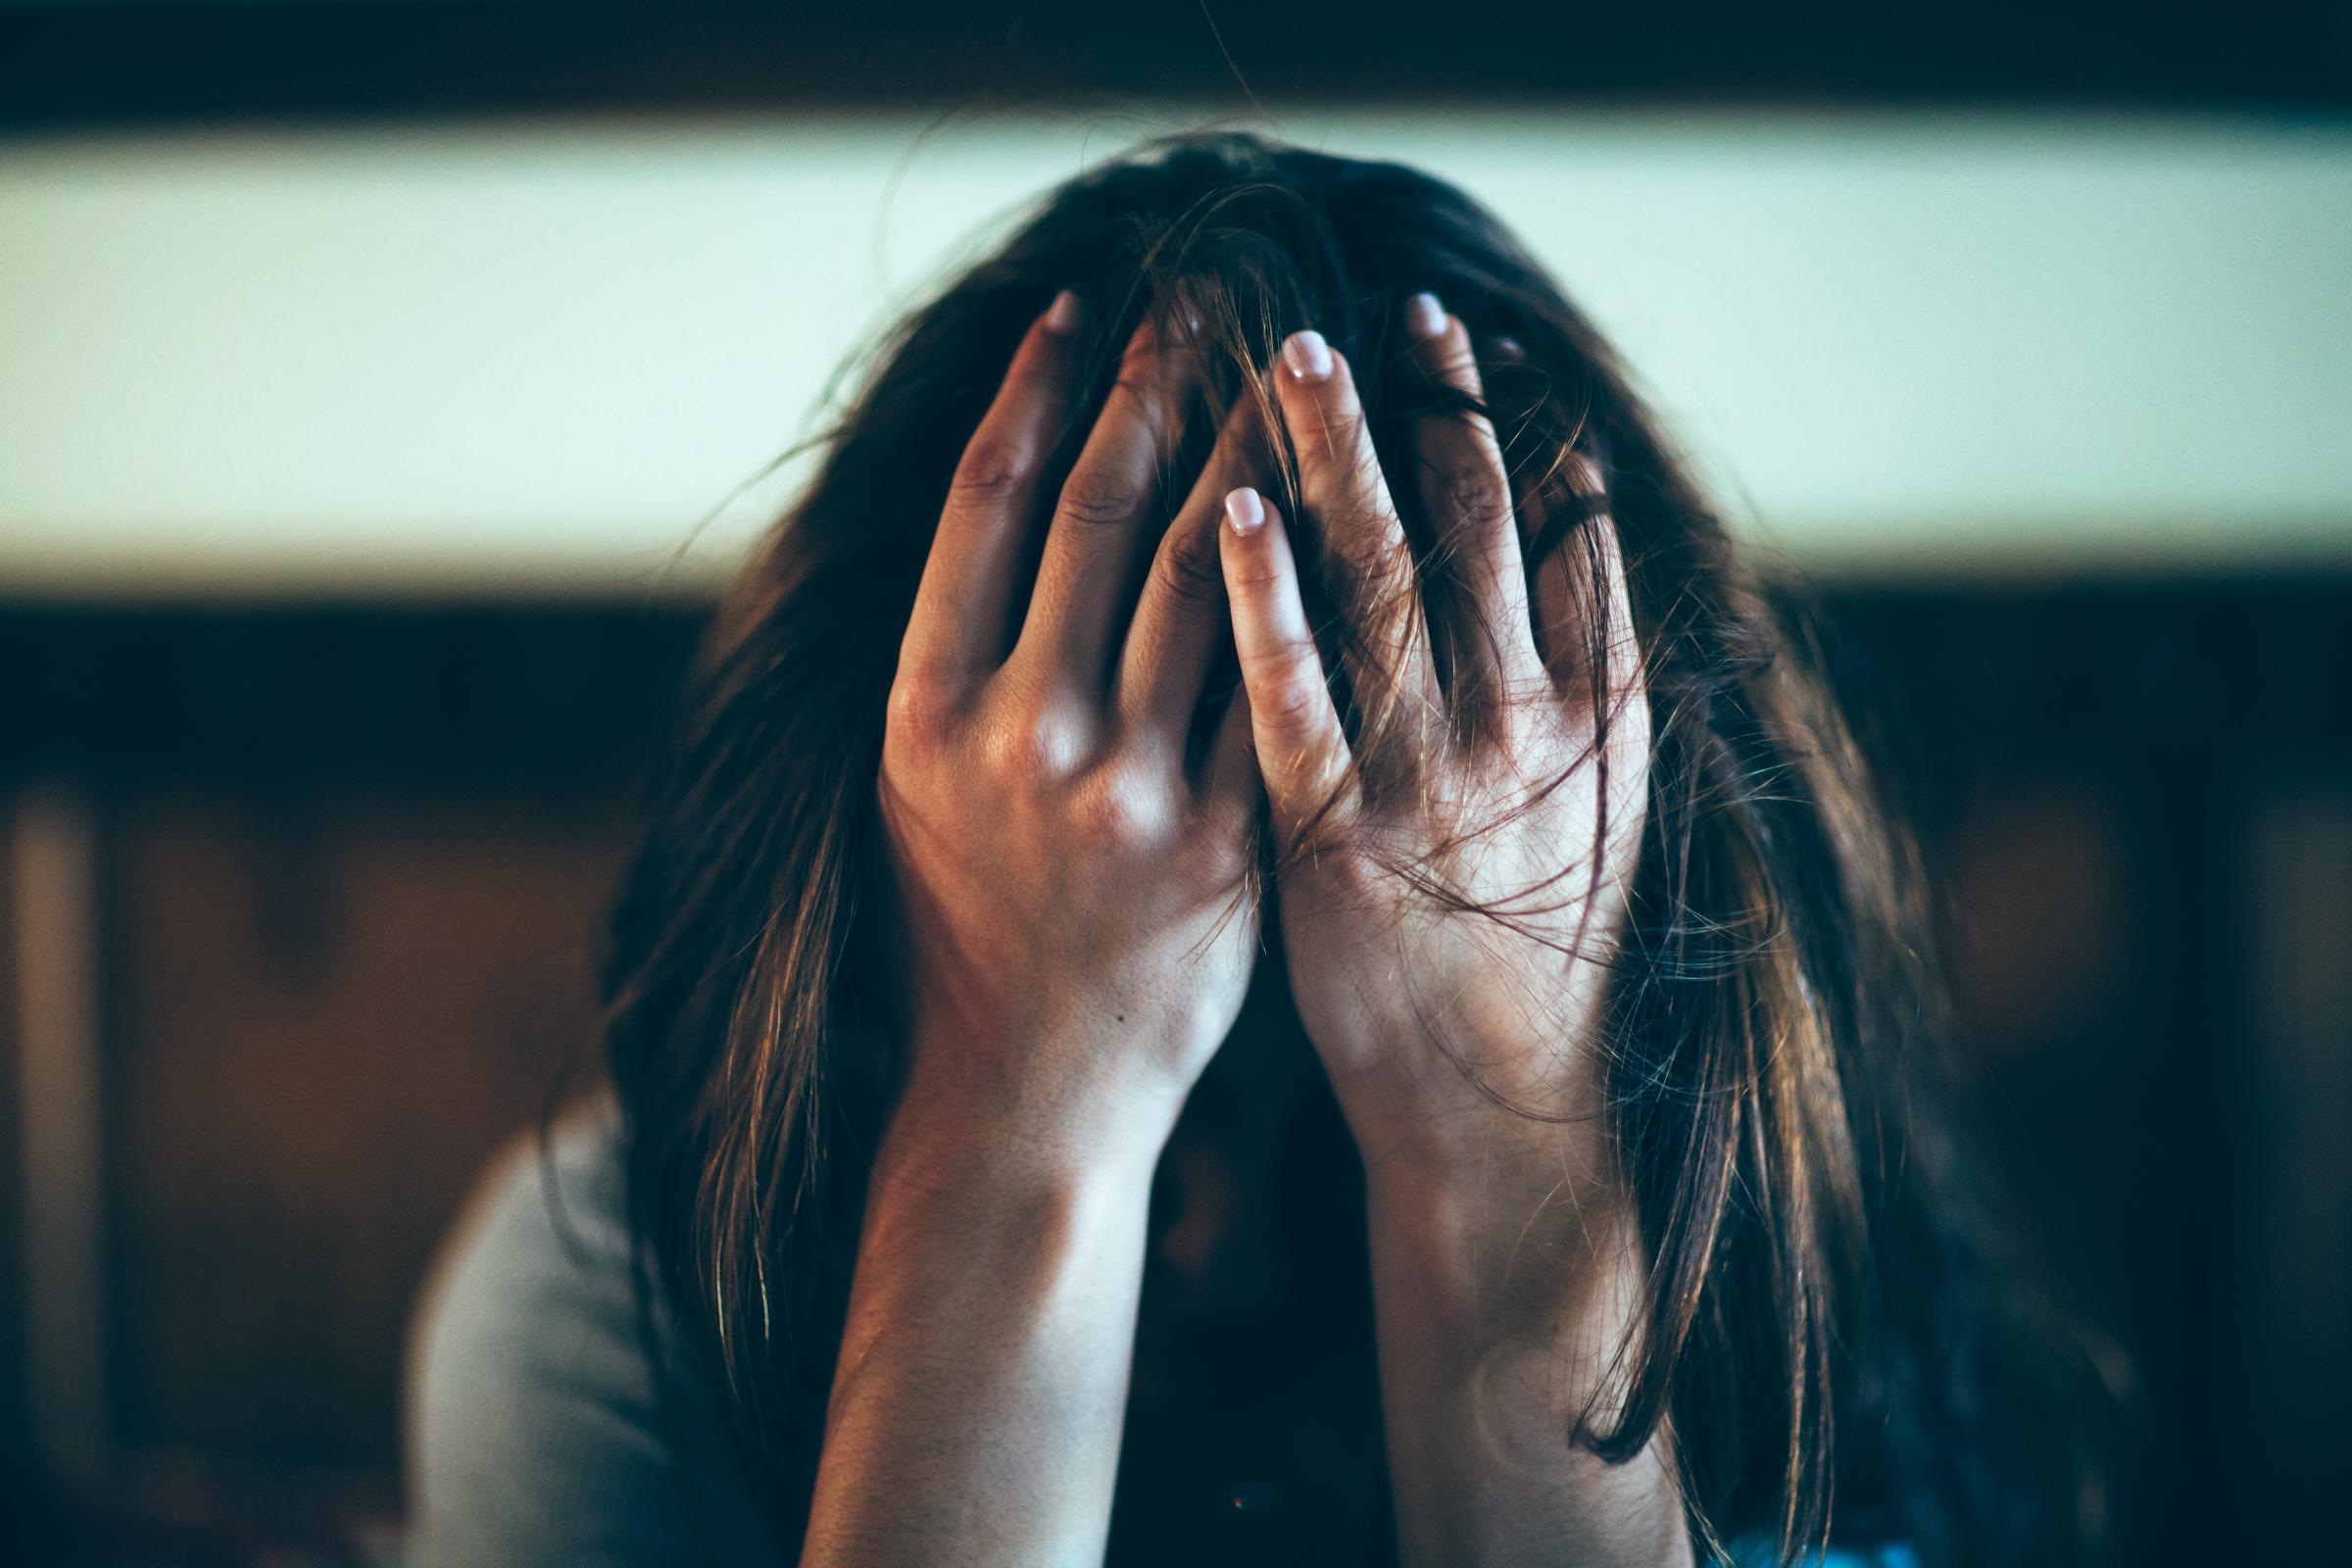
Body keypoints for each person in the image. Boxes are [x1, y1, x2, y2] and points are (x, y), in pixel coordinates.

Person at [403, 132, 2107, 1566]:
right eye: (1171, 1100)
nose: (1216, 1251)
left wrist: (1504, 1155)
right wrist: (1020, 1130)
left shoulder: (1785, 1272)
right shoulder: (611, 1305)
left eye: (1319, 1129)